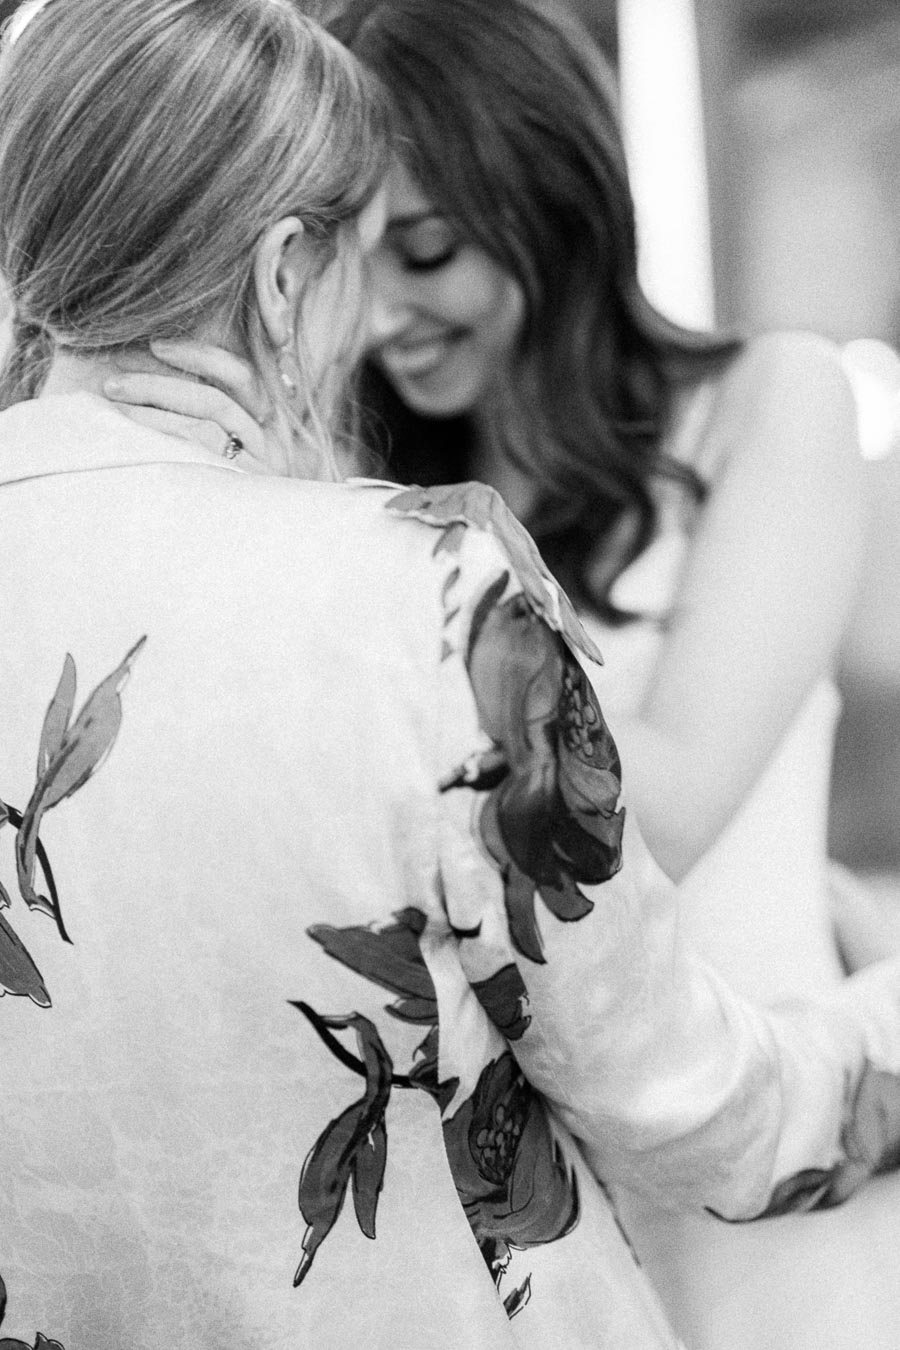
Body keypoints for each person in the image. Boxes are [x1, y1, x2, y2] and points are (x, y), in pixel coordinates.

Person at [8, 1, 900, 1349]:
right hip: (535, 1194)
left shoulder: (764, 406)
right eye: (353, 257)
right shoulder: (376, 541)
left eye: (422, 251)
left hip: (749, 1167)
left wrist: (453, 586)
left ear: (553, 201)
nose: (384, 314)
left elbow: (683, 799)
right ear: (279, 268)